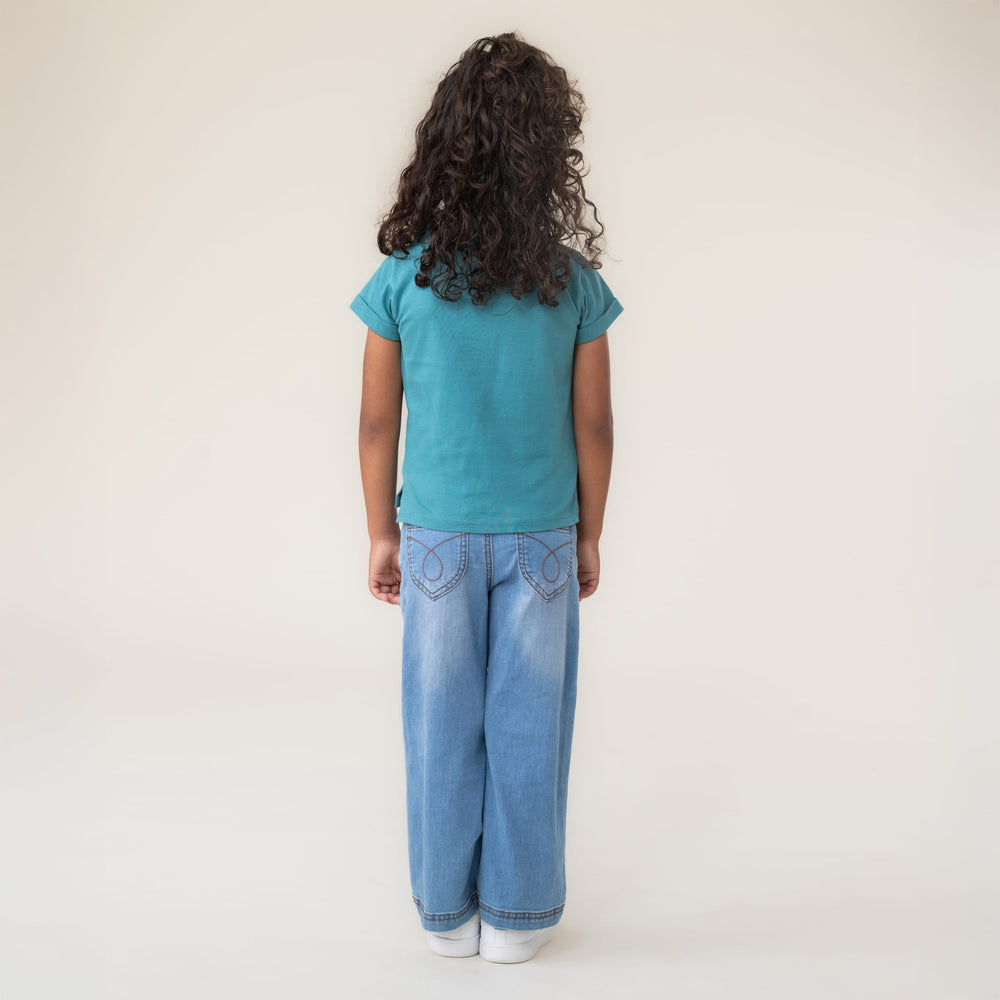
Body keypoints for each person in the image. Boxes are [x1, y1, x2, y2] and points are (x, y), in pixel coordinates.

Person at [351, 31, 623, 964]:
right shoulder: (573, 284)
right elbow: (596, 427)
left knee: (440, 723)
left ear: (444, 144)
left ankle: (446, 916)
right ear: (550, 155)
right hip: (543, 535)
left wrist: (380, 534)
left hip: (434, 536)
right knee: (528, 724)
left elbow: (376, 424)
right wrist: (590, 533)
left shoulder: (404, 276)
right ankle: (518, 916)